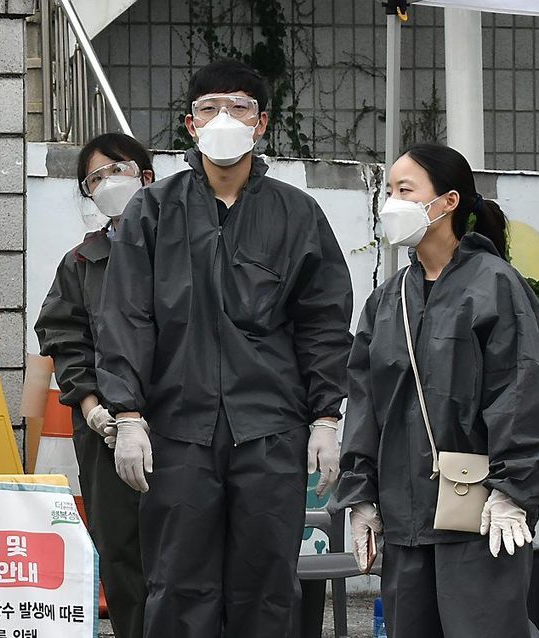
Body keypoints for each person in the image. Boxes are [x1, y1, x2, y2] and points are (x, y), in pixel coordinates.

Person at [95, 59, 354, 637]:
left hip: (269, 429)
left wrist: (326, 417)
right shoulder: (153, 210)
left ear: (261, 124)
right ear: (190, 124)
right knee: (178, 583)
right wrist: (129, 414)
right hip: (177, 428)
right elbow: (127, 315)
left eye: (238, 108)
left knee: (266, 583)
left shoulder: (296, 213)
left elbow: (324, 322)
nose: (224, 120)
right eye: (210, 109)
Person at [332, 144, 539, 638]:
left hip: (478, 511)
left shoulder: (495, 285)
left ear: (449, 201)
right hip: (403, 511)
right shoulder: (387, 297)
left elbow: (519, 388)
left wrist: (514, 491)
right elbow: (366, 400)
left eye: (405, 190)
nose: (391, 201)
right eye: (389, 190)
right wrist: (361, 496)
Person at [34, 133, 155, 638]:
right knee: (121, 549)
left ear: (146, 177)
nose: (107, 183)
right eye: (95, 178)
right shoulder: (81, 262)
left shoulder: (184, 248)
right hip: (105, 433)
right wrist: (89, 407)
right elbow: (64, 337)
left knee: (184, 551)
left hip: (182, 426)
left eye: (116, 170)